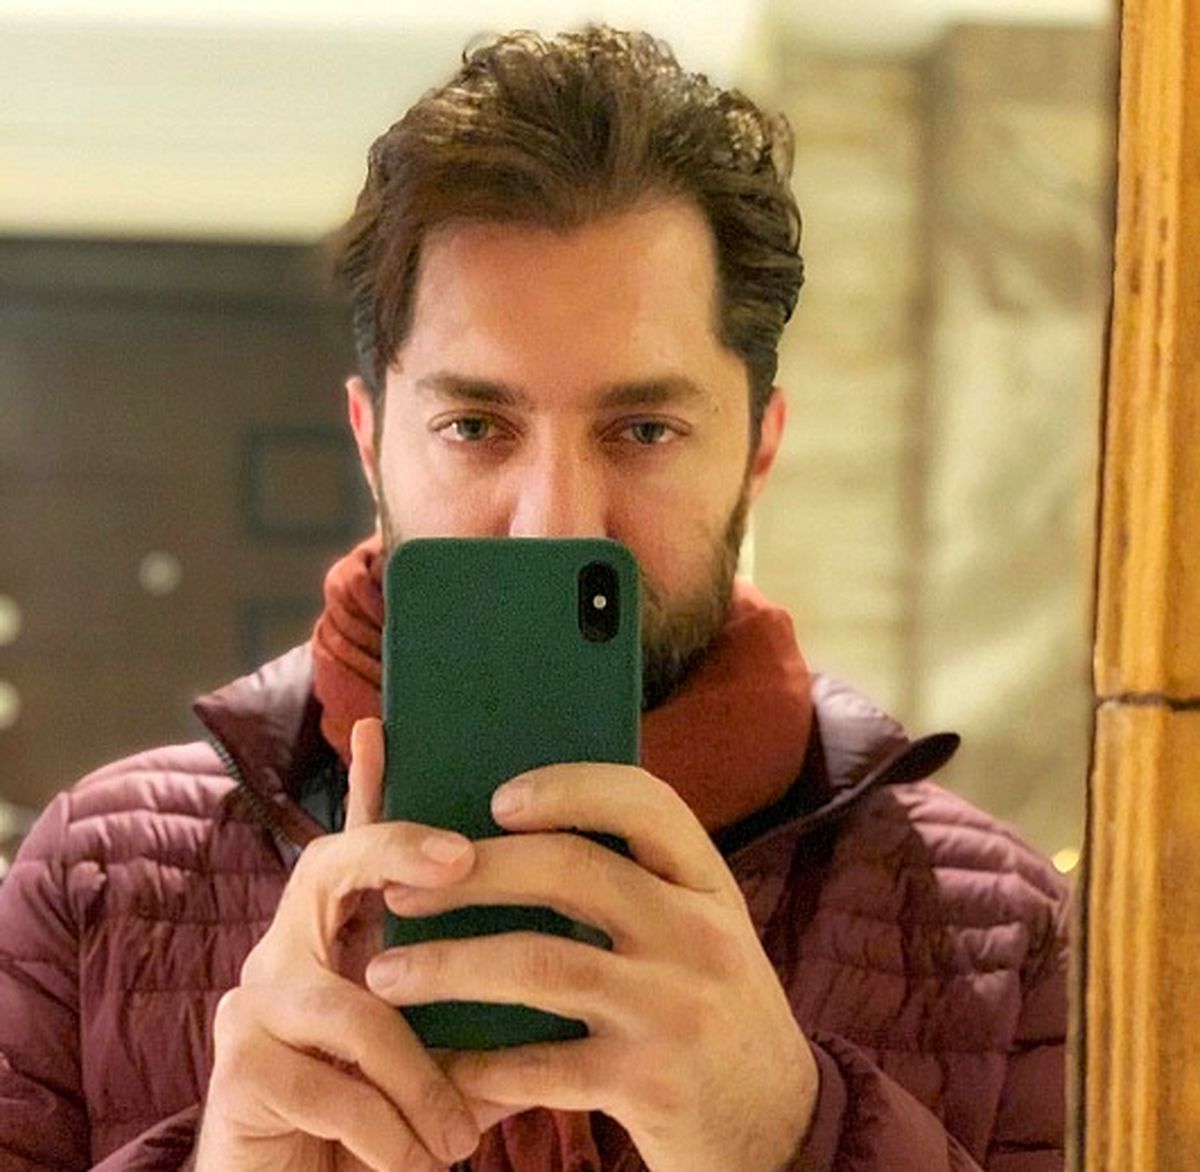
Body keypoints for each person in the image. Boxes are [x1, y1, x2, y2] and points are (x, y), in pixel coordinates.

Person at [0, 26, 1069, 1172]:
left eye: (644, 428)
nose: (554, 520)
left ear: (760, 447)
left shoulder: (996, 928)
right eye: (475, 425)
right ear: (371, 439)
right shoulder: (98, 879)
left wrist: (790, 1137)